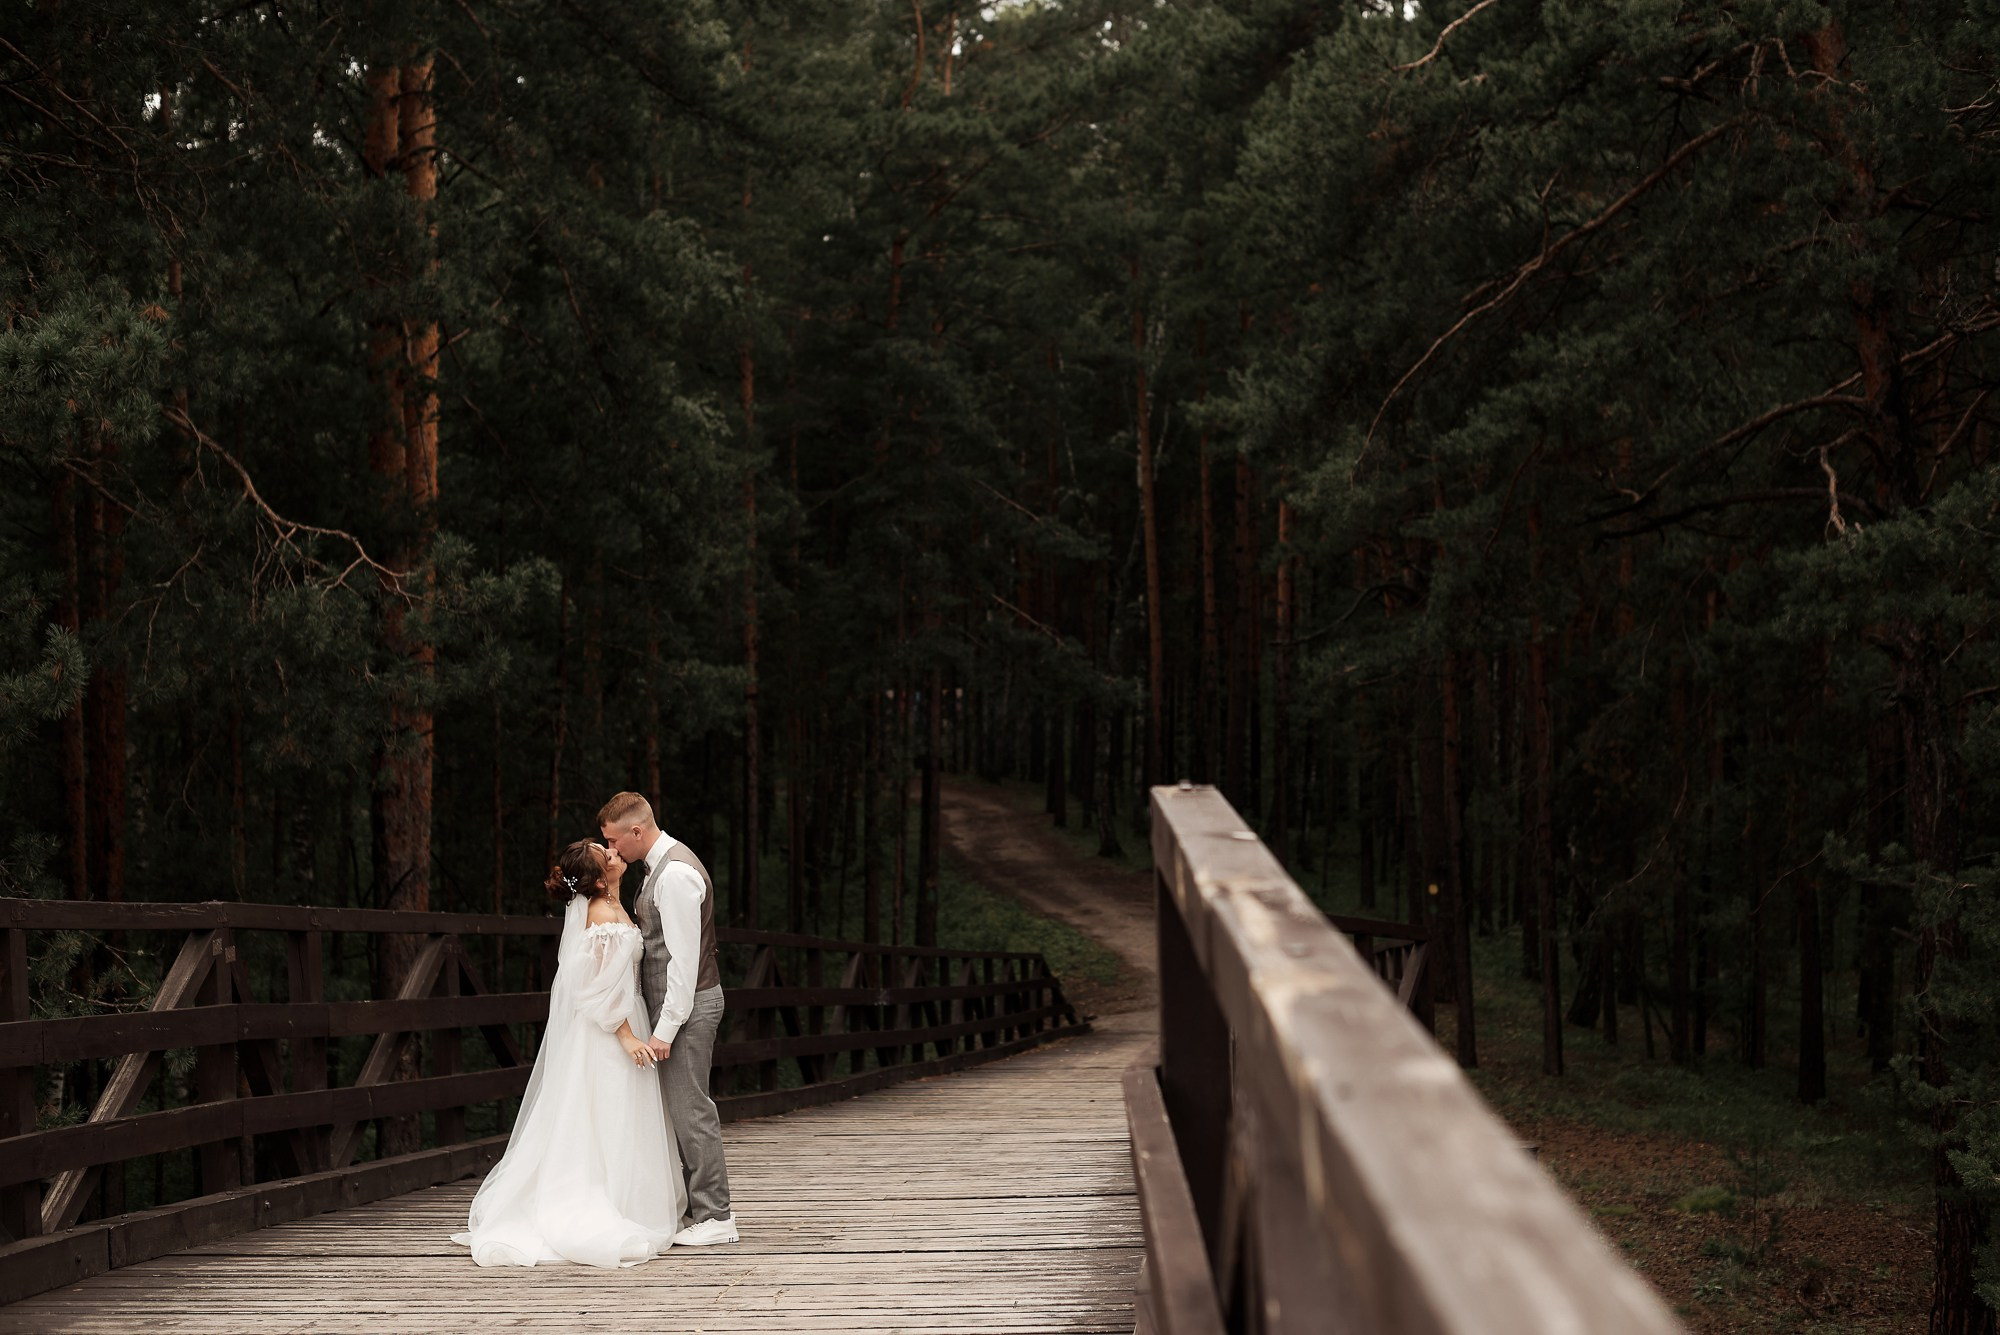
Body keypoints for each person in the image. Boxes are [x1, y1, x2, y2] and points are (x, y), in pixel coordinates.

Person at [451, 840, 684, 1267]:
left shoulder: (612, 905)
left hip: (625, 1018)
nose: (615, 853)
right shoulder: (600, 914)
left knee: (619, 1115)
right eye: (606, 855)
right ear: (599, 879)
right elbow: (593, 989)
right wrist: (627, 1036)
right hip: (610, 1031)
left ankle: (628, 1199)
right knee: (604, 1113)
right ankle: (600, 1205)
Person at [598, 791, 738, 1246]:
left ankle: (717, 1217)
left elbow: (684, 962)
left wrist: (664, 1030)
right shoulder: (658, 868)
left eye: (616, 841)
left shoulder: (675, 874)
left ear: (637, 832)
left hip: (689, 1006)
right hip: (681, 1007)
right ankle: (698, 1211)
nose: (612, 851)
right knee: (682, 1111)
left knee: (692, 1109)